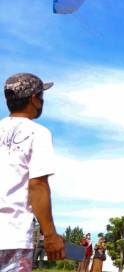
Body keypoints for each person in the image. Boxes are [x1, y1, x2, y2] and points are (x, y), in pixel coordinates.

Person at [0, 73, 64, 271]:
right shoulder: (38, 133)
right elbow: (37, 185)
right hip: (12, 237)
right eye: (41, 96)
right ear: (34, 98)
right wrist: (50, 235)